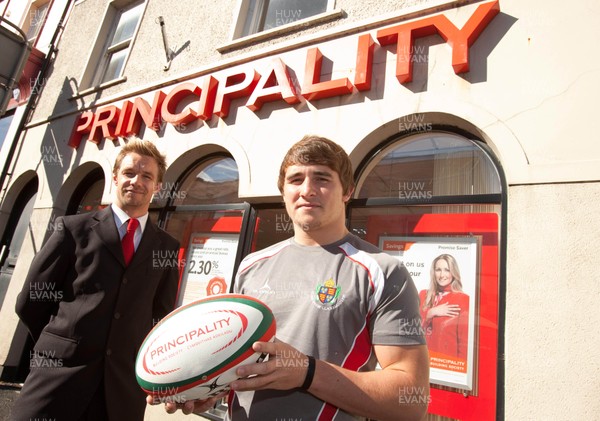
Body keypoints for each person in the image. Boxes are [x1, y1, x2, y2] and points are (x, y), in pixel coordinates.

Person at [155, 135, 430, 420]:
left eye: (322, 179)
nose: (307, 190)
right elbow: (242, 361)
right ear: (283, 191)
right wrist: (207, 389)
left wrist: (307, 372)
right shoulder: (251, 265)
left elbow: (410, 401)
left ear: (347, 191)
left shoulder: (382, 271)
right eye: (296, 179)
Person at [12, 139, 180, 421]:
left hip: (121, 393)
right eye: (128, 173)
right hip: (56, 383)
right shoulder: (72, 229)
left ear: (157, 187)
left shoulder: (167, 248)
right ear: (115, 177)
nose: (136, 181)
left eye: (147, 176)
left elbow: (162, 319)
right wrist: (62, 345)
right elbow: (31, 301)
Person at [419, 254, 469, 360]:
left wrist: (460, 368)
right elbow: (411, 330)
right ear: (434, 272)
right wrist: (430, 313)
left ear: (453, 272)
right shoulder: (423, 295)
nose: (442, 275)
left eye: (447, 270)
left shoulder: (462, 299)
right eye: (438, 270)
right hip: (422, 360)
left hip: (446, 362)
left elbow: (464, 342)